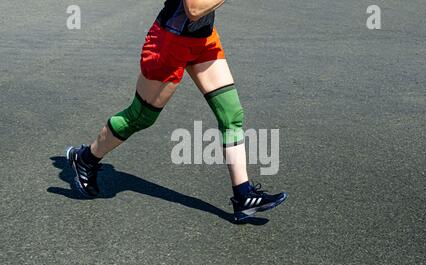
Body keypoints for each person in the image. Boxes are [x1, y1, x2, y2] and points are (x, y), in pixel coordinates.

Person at [66, 0, 287, 221]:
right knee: (140, 117)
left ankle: (243, 196)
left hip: (204, 37)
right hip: (169, 43)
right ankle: (85, 158)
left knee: (232, 115)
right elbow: (193, 9)